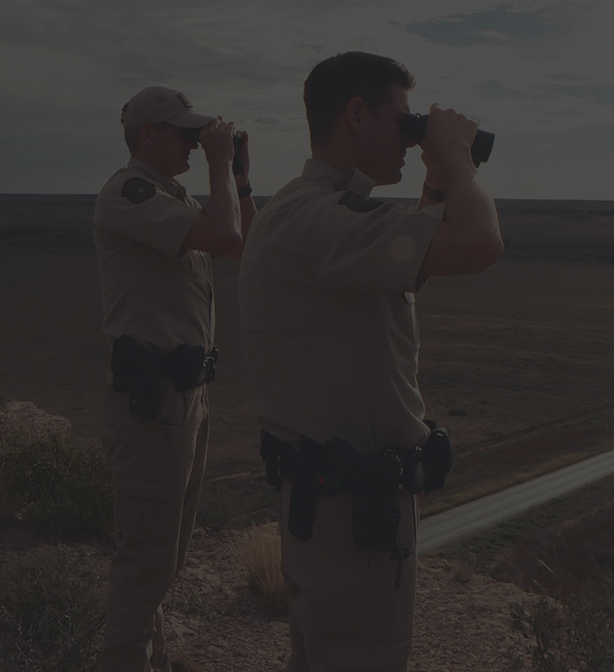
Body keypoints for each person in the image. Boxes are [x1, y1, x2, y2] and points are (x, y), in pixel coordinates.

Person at [238, 52, 503, 671]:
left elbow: (406, 267)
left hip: (325, 505)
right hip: (351, 519)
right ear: (356, 114)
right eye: (403, 120)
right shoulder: (330, 220)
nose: (410, 140)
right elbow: (480, 243)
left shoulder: (297, 210)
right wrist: (458, 157)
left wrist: (436, 177)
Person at [93, 85, 257, 672]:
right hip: (151, 403)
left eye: (197, 133)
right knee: (144, 567)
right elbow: (225, 237)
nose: (192, 142)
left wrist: (236, 178)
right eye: (182, 132)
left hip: (184, 399)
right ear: (147, 136)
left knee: (164, 561)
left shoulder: (176, 197)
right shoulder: (130, 193)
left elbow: (246, 245)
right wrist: (216, 162)